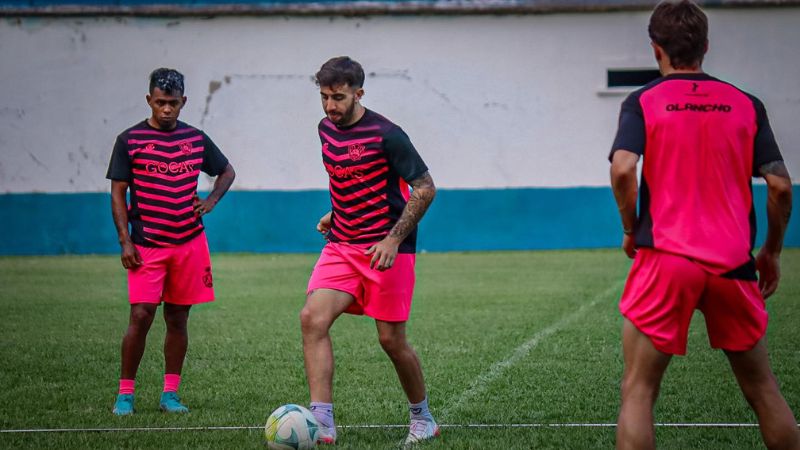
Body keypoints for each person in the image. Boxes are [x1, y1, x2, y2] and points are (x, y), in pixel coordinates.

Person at [609, 2, 797, 449]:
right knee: (763, 390)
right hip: (734, 263)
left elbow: (622, 170)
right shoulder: (747, 104)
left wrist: (631, 227)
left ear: (656, 49)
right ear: (705, 48)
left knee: (638, 391)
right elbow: (781, 186)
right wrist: (771, 250)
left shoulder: (643, 101)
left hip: (668, 258)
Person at [300, 56, 439, 446]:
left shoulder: (388, 134)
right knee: (312, 319)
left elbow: (425, 188)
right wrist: (335, 212)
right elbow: (352, 179)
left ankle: (422, 418)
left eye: (339, 97)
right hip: (342, 246)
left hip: (386, 250)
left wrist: (393, 239)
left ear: (358, 93)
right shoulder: (325, 129)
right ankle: (321, 422)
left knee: (391, 341)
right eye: (325, 97)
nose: (331, 106)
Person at [106, 68, 235, 416]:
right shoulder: (129, 140)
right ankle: (125, 395)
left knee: (178, 319)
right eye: (160, 102)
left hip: (189, 243)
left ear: (183, 103)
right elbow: (118, 193)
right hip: (147, 243)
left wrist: (210, 202)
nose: (166, 109)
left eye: (173, 103)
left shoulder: (195, 139)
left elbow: (226, 171)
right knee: (141, 315)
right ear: (149, 100)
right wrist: (124, 242)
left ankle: (170, 394)